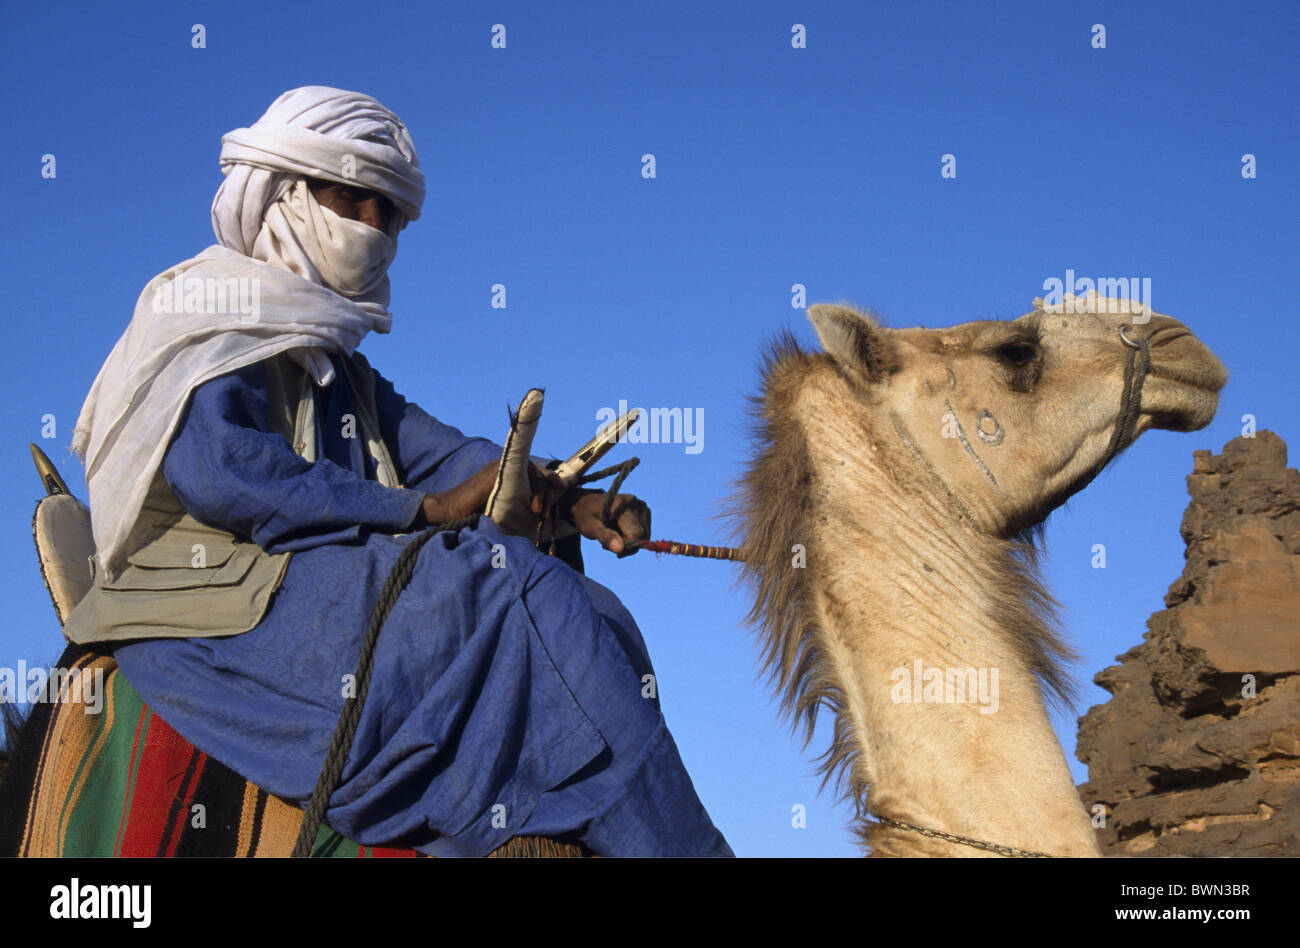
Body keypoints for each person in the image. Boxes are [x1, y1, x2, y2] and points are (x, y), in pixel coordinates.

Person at [64, 86, 733, 857]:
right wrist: (427, 513)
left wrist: (566, 497)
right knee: (519, 594)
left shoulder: (336, 361)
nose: (373, 231)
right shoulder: (207, 315)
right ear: (287, 194)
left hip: (304, 572)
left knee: (596, 610)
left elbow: (442, 453)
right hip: (209, 605)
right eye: (354, 201)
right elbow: (226, 473)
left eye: (391, 214)